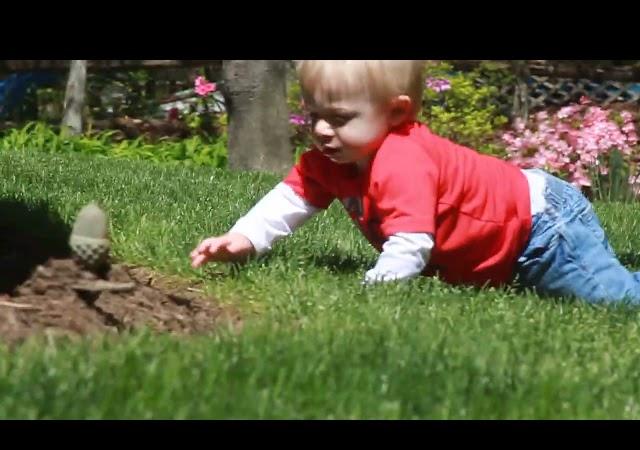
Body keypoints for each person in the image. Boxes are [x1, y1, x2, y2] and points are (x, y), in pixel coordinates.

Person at [191, 60, 640, 305]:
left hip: (541, 230)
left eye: (341, 118)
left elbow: (410, 241)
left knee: (610, 299)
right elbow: (289, 198)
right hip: (508, 240)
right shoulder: (331, 159)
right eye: (314, 116)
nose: (323, 130)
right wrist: (242, 238)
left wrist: (378, 290)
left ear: (398, 113)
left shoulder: (402, 161)